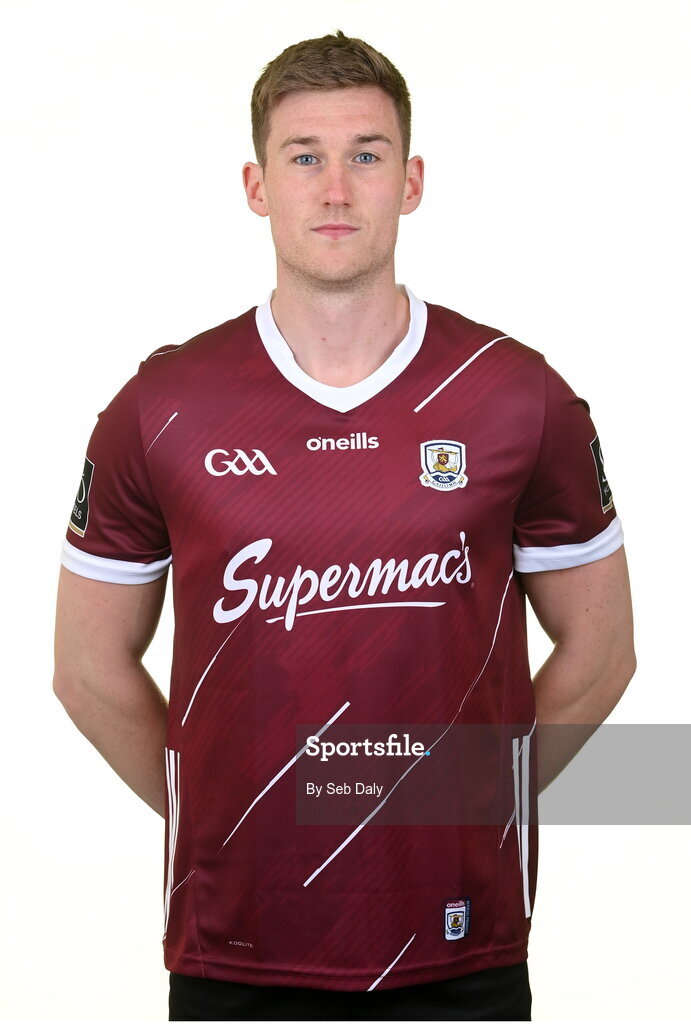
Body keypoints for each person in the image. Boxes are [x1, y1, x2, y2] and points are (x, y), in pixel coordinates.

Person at [53, 29, 636, 1022]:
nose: (334, 189)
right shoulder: (163, 407)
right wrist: (231, 809)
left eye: (365, 155)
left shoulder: (514, 396)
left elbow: (602, 650)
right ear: (256, 186)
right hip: (234, 951)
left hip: (460, 946)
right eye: (303, 157)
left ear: (410, 182)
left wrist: (462, 807)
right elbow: (85, 666)